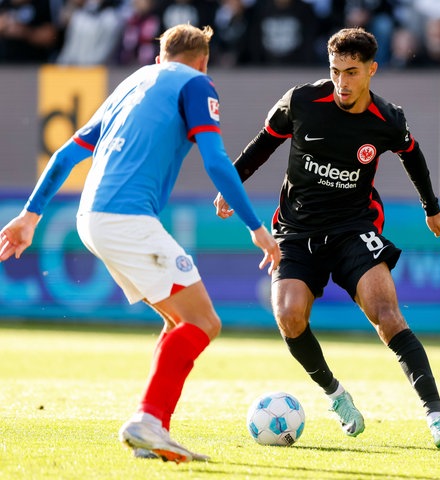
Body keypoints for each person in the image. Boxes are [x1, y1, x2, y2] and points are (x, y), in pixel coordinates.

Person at [0, 23, 280, 462]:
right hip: (126, 218)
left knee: (177, 321)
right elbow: (216, 159)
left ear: (158, 58)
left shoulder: (132, 83)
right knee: (205, 322)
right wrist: (255, 226)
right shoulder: (197, 84)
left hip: (91, 217)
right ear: (204, 61)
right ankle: (148, 420)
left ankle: (152, 433)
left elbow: (66, 155)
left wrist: (29, 216)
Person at [214, 27, 440, 449]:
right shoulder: (301, 102)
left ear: (371, 71)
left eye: (351, 72)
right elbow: (262, 145)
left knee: (387, 315)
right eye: (335, 71)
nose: (342, 83)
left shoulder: (386, 119)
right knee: (289, 317)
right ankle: (336, 395)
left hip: (353, 229)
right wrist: (231, 184)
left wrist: (432, 208)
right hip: (297, 231)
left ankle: (436, 416)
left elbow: (412, 154)